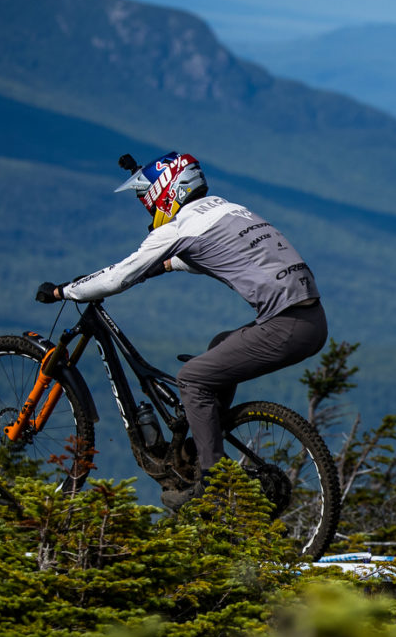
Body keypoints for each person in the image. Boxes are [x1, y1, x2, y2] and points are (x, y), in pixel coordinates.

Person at [37, 151, 327, 510]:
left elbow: (118, 277)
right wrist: (164, 267)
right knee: (219, 346)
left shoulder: (180, 227)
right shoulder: (230, 210)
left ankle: (213, 482)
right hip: (311, 320)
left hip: (284, 325)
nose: (148, 210)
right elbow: (214, 255)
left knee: (191, 378)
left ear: (166, 191)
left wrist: (63, 291)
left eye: (147, 201)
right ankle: (200, 441)